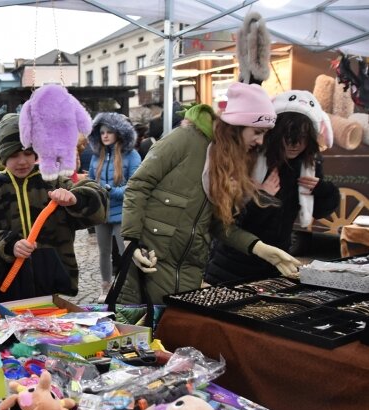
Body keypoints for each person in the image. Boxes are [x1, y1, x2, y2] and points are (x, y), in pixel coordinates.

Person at [120, 82, 301, 306]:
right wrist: (131, 240)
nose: (260, 141)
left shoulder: (228, 162)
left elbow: (217, 224)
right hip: (149, 265)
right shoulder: (185, 140)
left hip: (187, 275)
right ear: (237, 126)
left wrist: (259, 248)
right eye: (257, 132)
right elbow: (138, 185)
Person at [0, 113, 108, 303]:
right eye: (14, 154)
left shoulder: (54, 181)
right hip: (8, 285)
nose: (22, 161)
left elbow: (98, 202)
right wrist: (9, 245)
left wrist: (75, 198)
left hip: (52, 282)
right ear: (2, 155)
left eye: (27, 153)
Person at [205, 90, 340, 284]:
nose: (295, 144)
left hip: (276, 261)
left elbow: (319, 211)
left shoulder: (308, 165)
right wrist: (262, 196)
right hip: (235, 262)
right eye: (288, 136)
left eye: (303, 137)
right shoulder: (253, 156)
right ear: (276, 133)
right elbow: (228, 221)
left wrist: (323, 190)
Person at [87, 112, 141, 297]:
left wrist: (112, 191)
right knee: (104, 252)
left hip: (123, 213)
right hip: (102, 212)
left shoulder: (132, 155)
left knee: (126, 252)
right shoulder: (97, 156)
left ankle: (129, 288)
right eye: (102, 132)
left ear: (119, 132)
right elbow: (90, 181)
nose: (105, 136)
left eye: (109, 131)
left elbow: (136, 184)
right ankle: (106, 288)